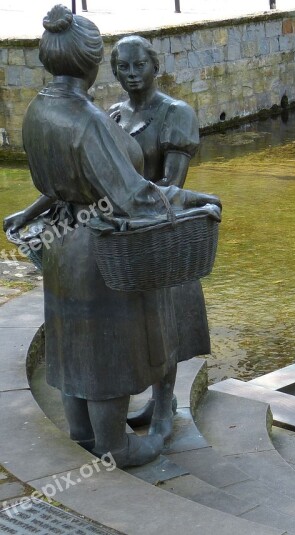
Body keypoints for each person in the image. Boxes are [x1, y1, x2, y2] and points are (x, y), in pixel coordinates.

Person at [4, 5, 219, 467]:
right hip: (100, 243)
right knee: (107, 344)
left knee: (70, 336)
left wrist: (29, 214)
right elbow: (134, 196)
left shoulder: (38, 108)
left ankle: (82, 433)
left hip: (61, 238)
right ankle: (116, 447)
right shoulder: (92, 120)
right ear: (95, 62)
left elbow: (54, 182)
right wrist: (196, 201)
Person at [107, 35, 209, 439]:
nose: (132, 75)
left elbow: (172, 184)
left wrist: (130, 202)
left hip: (164, 232)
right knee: (138, 323)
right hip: (129, 233)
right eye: (123, 68)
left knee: (164, 322)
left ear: (155, 67)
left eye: (139, 66)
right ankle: (154, 398)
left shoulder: (175, 114)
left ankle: (166, 405)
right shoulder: (113, 115)